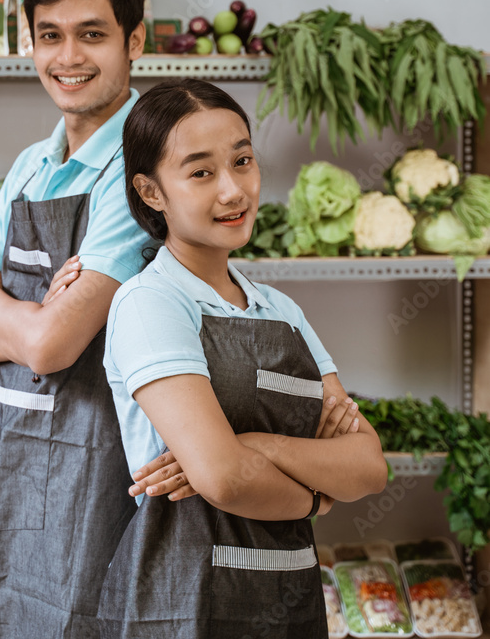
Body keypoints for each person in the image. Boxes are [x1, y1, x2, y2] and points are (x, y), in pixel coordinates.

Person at [92, 78, 388, 638]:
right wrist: (319, 496)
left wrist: (258, 446)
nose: (233, 190)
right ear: (152, 192)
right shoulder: (150, 302)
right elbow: (224, 480)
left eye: (243, 161)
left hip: (291, 598)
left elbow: (369, 466)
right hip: (180, 604)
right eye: (201, 172)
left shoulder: (282, 310)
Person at [0, 0, 156, 639]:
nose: (68, 57)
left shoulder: (147, 161)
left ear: (134, 40)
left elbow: (54, 346)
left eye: (92, 34)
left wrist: (6, 309)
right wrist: (31, 316)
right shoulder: (33, 164)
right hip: (15, 455)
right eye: (50, 36)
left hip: (107, 462)